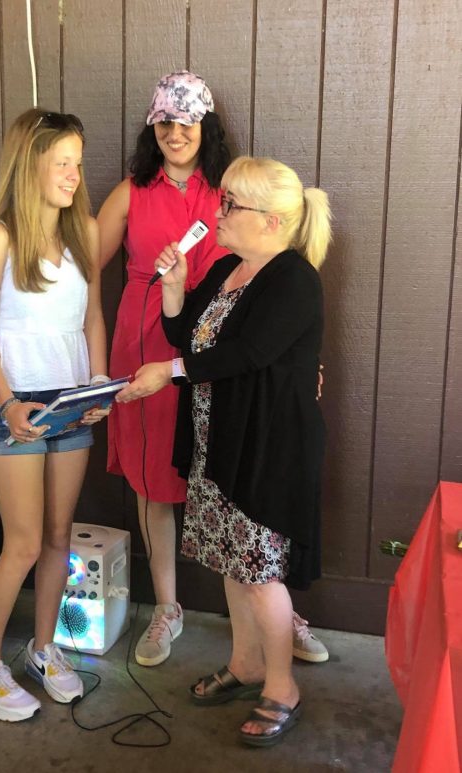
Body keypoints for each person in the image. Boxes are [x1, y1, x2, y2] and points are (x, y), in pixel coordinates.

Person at [98, 70, 328, 667]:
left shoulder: (231, 192)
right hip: (158, 339)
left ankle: (273, 608)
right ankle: (171, 608)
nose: (175, 133)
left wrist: (299, 361)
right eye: (165, 122)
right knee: (157, 477)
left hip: (222, 354)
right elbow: (84, 268)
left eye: (187, 122)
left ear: (206, 127)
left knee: (242, 482)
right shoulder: (132, 192)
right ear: (152, 127)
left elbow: (274, 310)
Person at [116, 156, 332, 747]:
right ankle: (246, 664)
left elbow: (248, 354)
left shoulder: (293, 279)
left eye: (232, 204)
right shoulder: (226, 268)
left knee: (259, 572)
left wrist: (168, 373)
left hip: (265, 447)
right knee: (231, 562)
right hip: (217, 443)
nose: (219, 212)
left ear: (271, 221)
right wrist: (175, 287)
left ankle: (282, 687)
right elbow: (186, 338)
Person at [0, 108, 109, 722]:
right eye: (62, 163)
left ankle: (43, 650)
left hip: (73, 404)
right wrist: (7, 402)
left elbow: (92, 318)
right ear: (30, 166)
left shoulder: (86, 233)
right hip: (16, 405)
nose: (74, 174)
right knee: (21, 545)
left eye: (78, 162)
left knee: (57, 537)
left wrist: (98, 385)